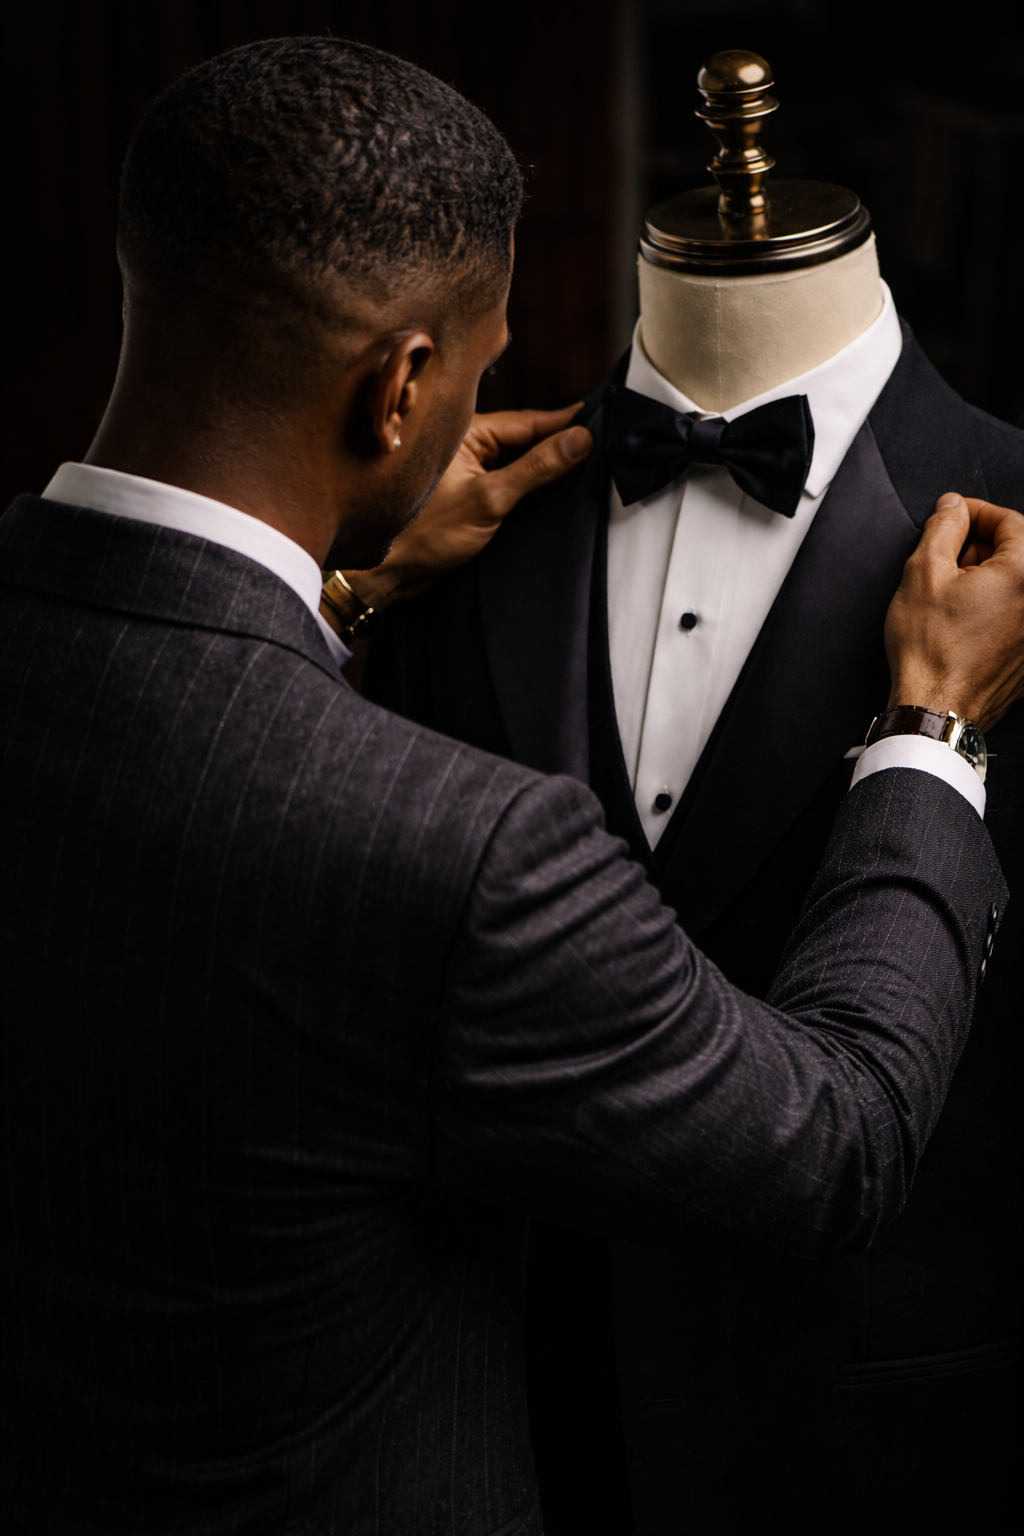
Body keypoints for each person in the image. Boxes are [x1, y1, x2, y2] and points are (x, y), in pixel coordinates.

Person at [0, 36, 1021, 1536]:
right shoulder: (463, 833)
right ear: (402, 387)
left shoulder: (361, 600)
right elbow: (837, 1140)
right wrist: (934, 730)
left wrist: (346, 590)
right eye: (482, 359)